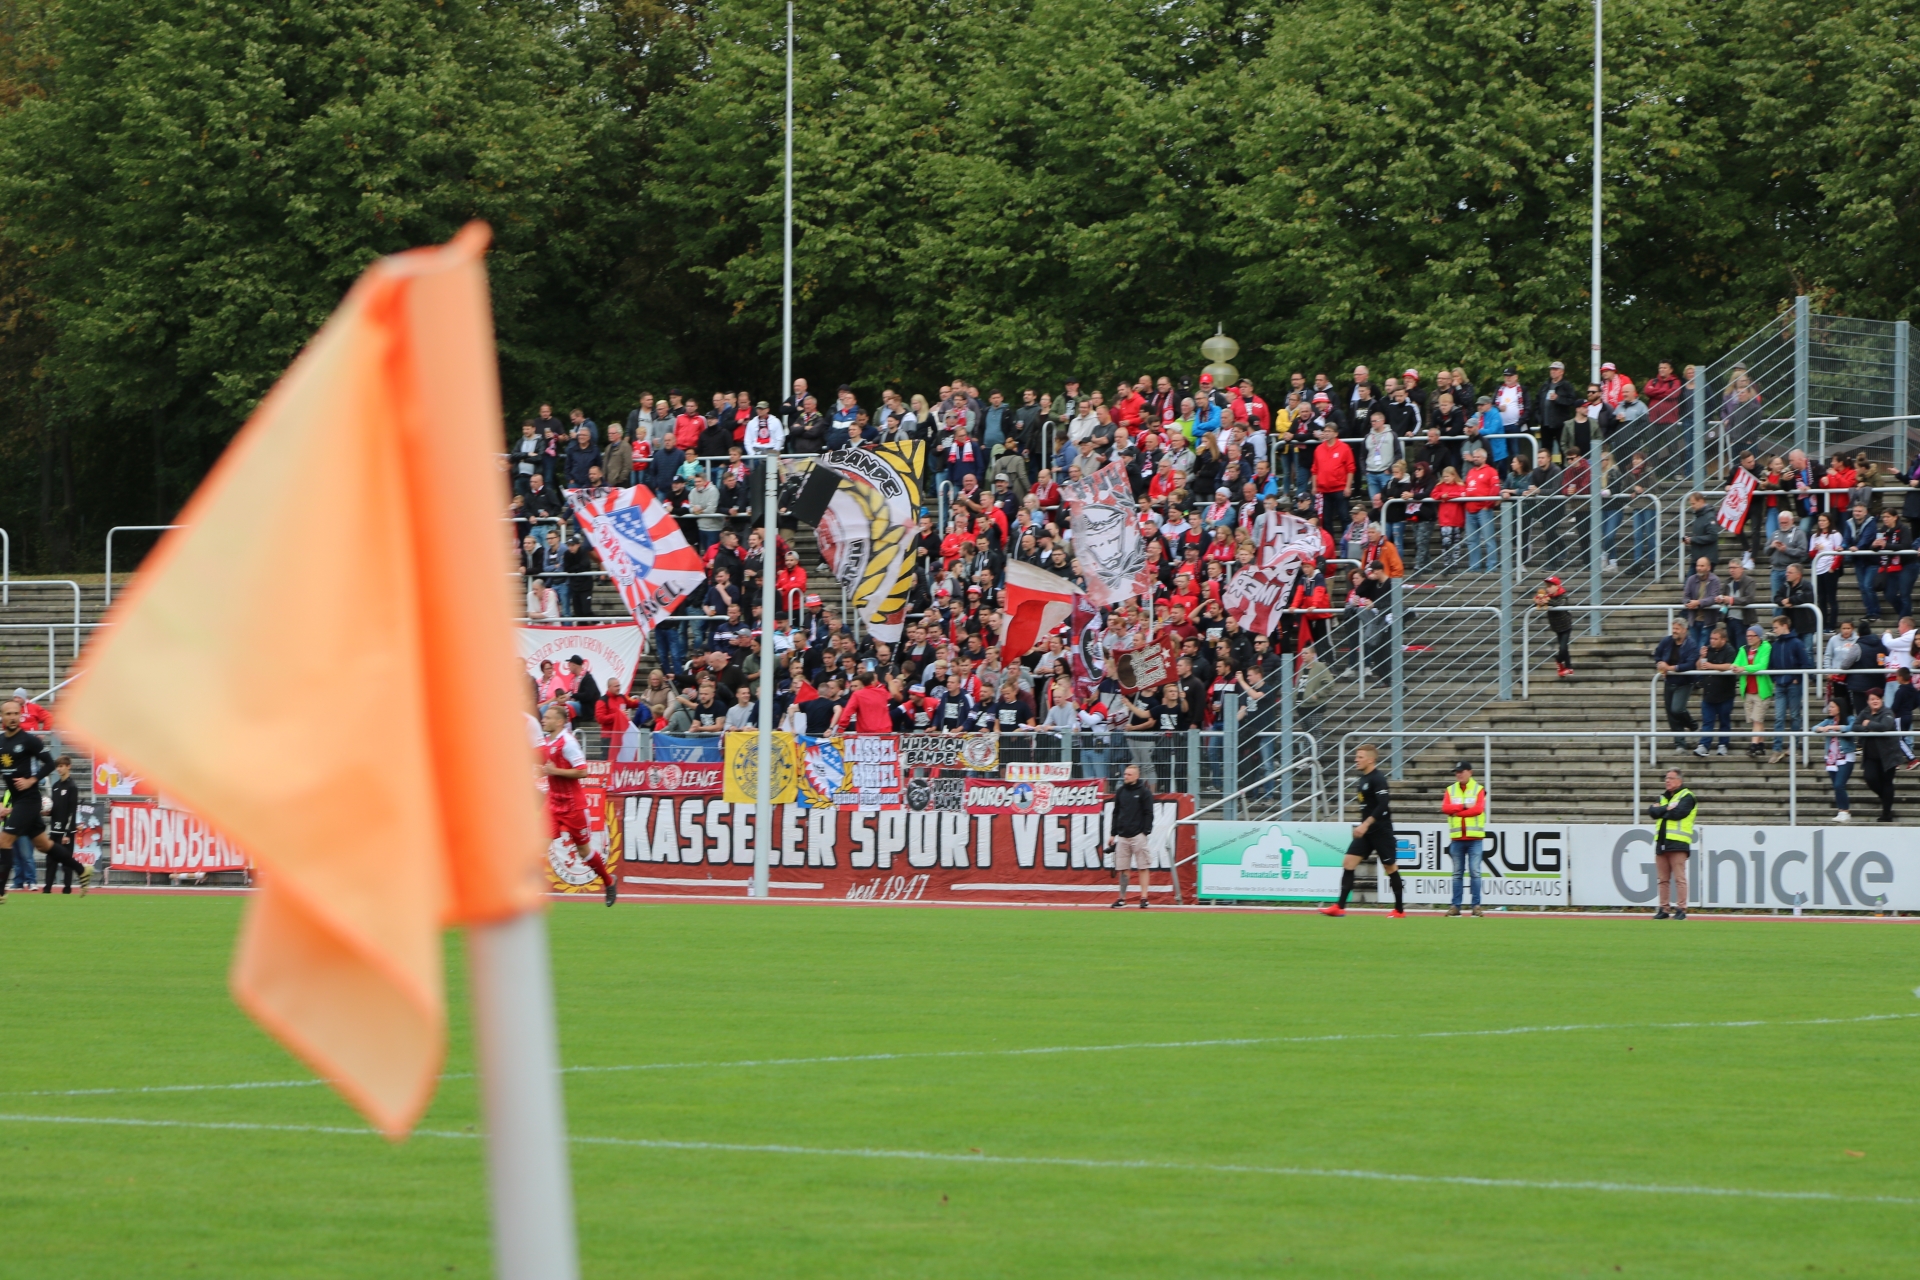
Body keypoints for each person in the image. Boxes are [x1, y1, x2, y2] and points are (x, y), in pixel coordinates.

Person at [538, 701, 617, 906]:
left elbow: (583, 771)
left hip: (573, 806)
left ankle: (609, 882)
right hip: (553, 803)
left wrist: (555, 771)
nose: (543, 720)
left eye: (548, 717)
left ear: (559, 721)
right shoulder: (547, 741)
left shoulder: (568, 742)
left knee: (584, 852)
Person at [1320, 744, 1403, 917]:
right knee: (1348, 863)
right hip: (1366, 832)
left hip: (1381, 830)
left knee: (1390, 867)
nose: (1356, 760)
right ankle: (1339, 907)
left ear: (1371, 760)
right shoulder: (1363, 779)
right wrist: (1364, 826)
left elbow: (1383, 804)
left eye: (1360, 757)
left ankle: (1399, 910)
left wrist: (1365, 824)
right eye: (1356, 757)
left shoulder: (1378, 779)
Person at [0, 696, 55, 899]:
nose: (13, 717)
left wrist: (32, 780)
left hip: (27, 805)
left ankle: (23, 883)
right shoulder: (2, 743)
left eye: (16, 713)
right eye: (9, 714)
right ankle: (80, 868)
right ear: (2, 717)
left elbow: (50, 763)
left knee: (13, 846)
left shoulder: (28, 740)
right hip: (17, 809)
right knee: (43, 845)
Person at [1644, 768, 1696, 919]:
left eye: (1671, 778)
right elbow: (1652, 812)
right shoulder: (1663, 797)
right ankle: (1664, 909)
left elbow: (1678, 813)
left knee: (1679, 878)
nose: (1667, 781)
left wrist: (1661, 810)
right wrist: (1666, 808)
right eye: (1666, 778)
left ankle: (1681, 909)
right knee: (1662, 879)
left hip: (1678, 843)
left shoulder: (1687, 796)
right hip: (1662, 842)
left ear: (1679, 781)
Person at [1440, 760, 1487, 917]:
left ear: (1470, 772)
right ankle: (1456, 906)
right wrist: (1464, 807)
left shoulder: (1479, 789)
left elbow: (1478, 810)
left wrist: (1457, 812)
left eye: (1461, 771)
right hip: (1457, 838)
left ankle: (1476, 906)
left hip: (1474, 838)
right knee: (1457, 874)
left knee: (1475, 872)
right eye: (1457, 772)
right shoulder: (1450, 789)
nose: (1458, 774)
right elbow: (1445, 808)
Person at [1108, 762, 1156, 909]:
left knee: (1143, 866)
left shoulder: (1144, 792)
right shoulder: (1121, 791)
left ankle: (1144, 897)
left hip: (1138, 835)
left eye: (1129, 774)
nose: (1126, 777)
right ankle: (1122, 898)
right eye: (1125, 774)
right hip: (1123, 836)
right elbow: (1116, 813)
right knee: (1123, 868)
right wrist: (1113, 834)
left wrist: (1145, 832)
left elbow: (1149, 813)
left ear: (1136, 776)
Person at [37, 755, 86, 894]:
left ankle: (67, 888)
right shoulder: (55, 786)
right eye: (58, 766)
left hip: (65, 832)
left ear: (68, 767)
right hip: (54, 831)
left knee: (66, 861)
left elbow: (71, 812)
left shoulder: (72, 787)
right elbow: (56, 809)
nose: (59, 769)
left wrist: (67, 833)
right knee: (50, 860)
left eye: (62, 766)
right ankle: (47, 888)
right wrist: (47, 812)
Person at [1767, 614, 1809, 764]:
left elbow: (1806, 663)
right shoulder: (1775, 645)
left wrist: (1797, 677)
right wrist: (1775, 678)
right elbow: (1770, 665)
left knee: (1795, 715)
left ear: (1785, 626)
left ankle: (1793, 746)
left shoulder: (1796, 643)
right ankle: (1777, 749)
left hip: (1793, 685)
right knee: (1779, 717)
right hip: (1780, 684)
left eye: (1776, 627)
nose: (1774, 630)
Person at [1653, 620, 1700, 750]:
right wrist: (1660, 665)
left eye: (1677, 629)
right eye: (1673, 628)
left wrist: (1670, 668)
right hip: (1669, 681)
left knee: (1677, 709)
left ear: (1684, 630)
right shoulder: (1667, 641)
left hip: (1685, 682)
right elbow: (1657, 654)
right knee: (1671, 714)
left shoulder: (1691, 644)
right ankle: (1680, 744)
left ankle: (1693, 726)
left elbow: (1690, 664)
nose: (1674, 631)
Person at [1856, 689, 1902, 821]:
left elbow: (1885, 726)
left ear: (1881, 700)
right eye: (1872, 699)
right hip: (1870, 756)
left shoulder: (1887, 712)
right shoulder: (1865, 712)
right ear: (1868, 701)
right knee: (1870, 778)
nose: (1875, 701)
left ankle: (1886, 814)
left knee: (1887, 782)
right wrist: (1867, 727)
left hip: (1888, 755)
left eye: (1877, 699)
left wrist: (1868, 723)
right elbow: (1855, 726)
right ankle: (1887, 799)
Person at [1732, 625, 1774, 758]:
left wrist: (1743, 668)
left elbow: (1762, 665)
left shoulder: (1766, 647)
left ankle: (1753, 746)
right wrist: (1736, 667)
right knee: (1757, 720)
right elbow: (1736, 663)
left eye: (1752, 636)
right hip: (1748, 690)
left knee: (1757, 720)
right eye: (1748, 636)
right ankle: (1761, 746)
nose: (1749, 638)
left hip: (1761, 690)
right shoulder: (1743, 649)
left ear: (1759, 637)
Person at [1815, 700, 1856, 822]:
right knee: (1836, 786)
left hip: (1845, 756)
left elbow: (1852, 727)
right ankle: (1841, 811)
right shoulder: (1828, 720)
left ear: (1839, 708)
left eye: (1832, 707)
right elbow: (1814, 728)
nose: (1829, 709)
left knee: (1839, 785)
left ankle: (1845, 811)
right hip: (1831, 758)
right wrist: (1821, 729)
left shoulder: (1849, 718)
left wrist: (1834, 728)